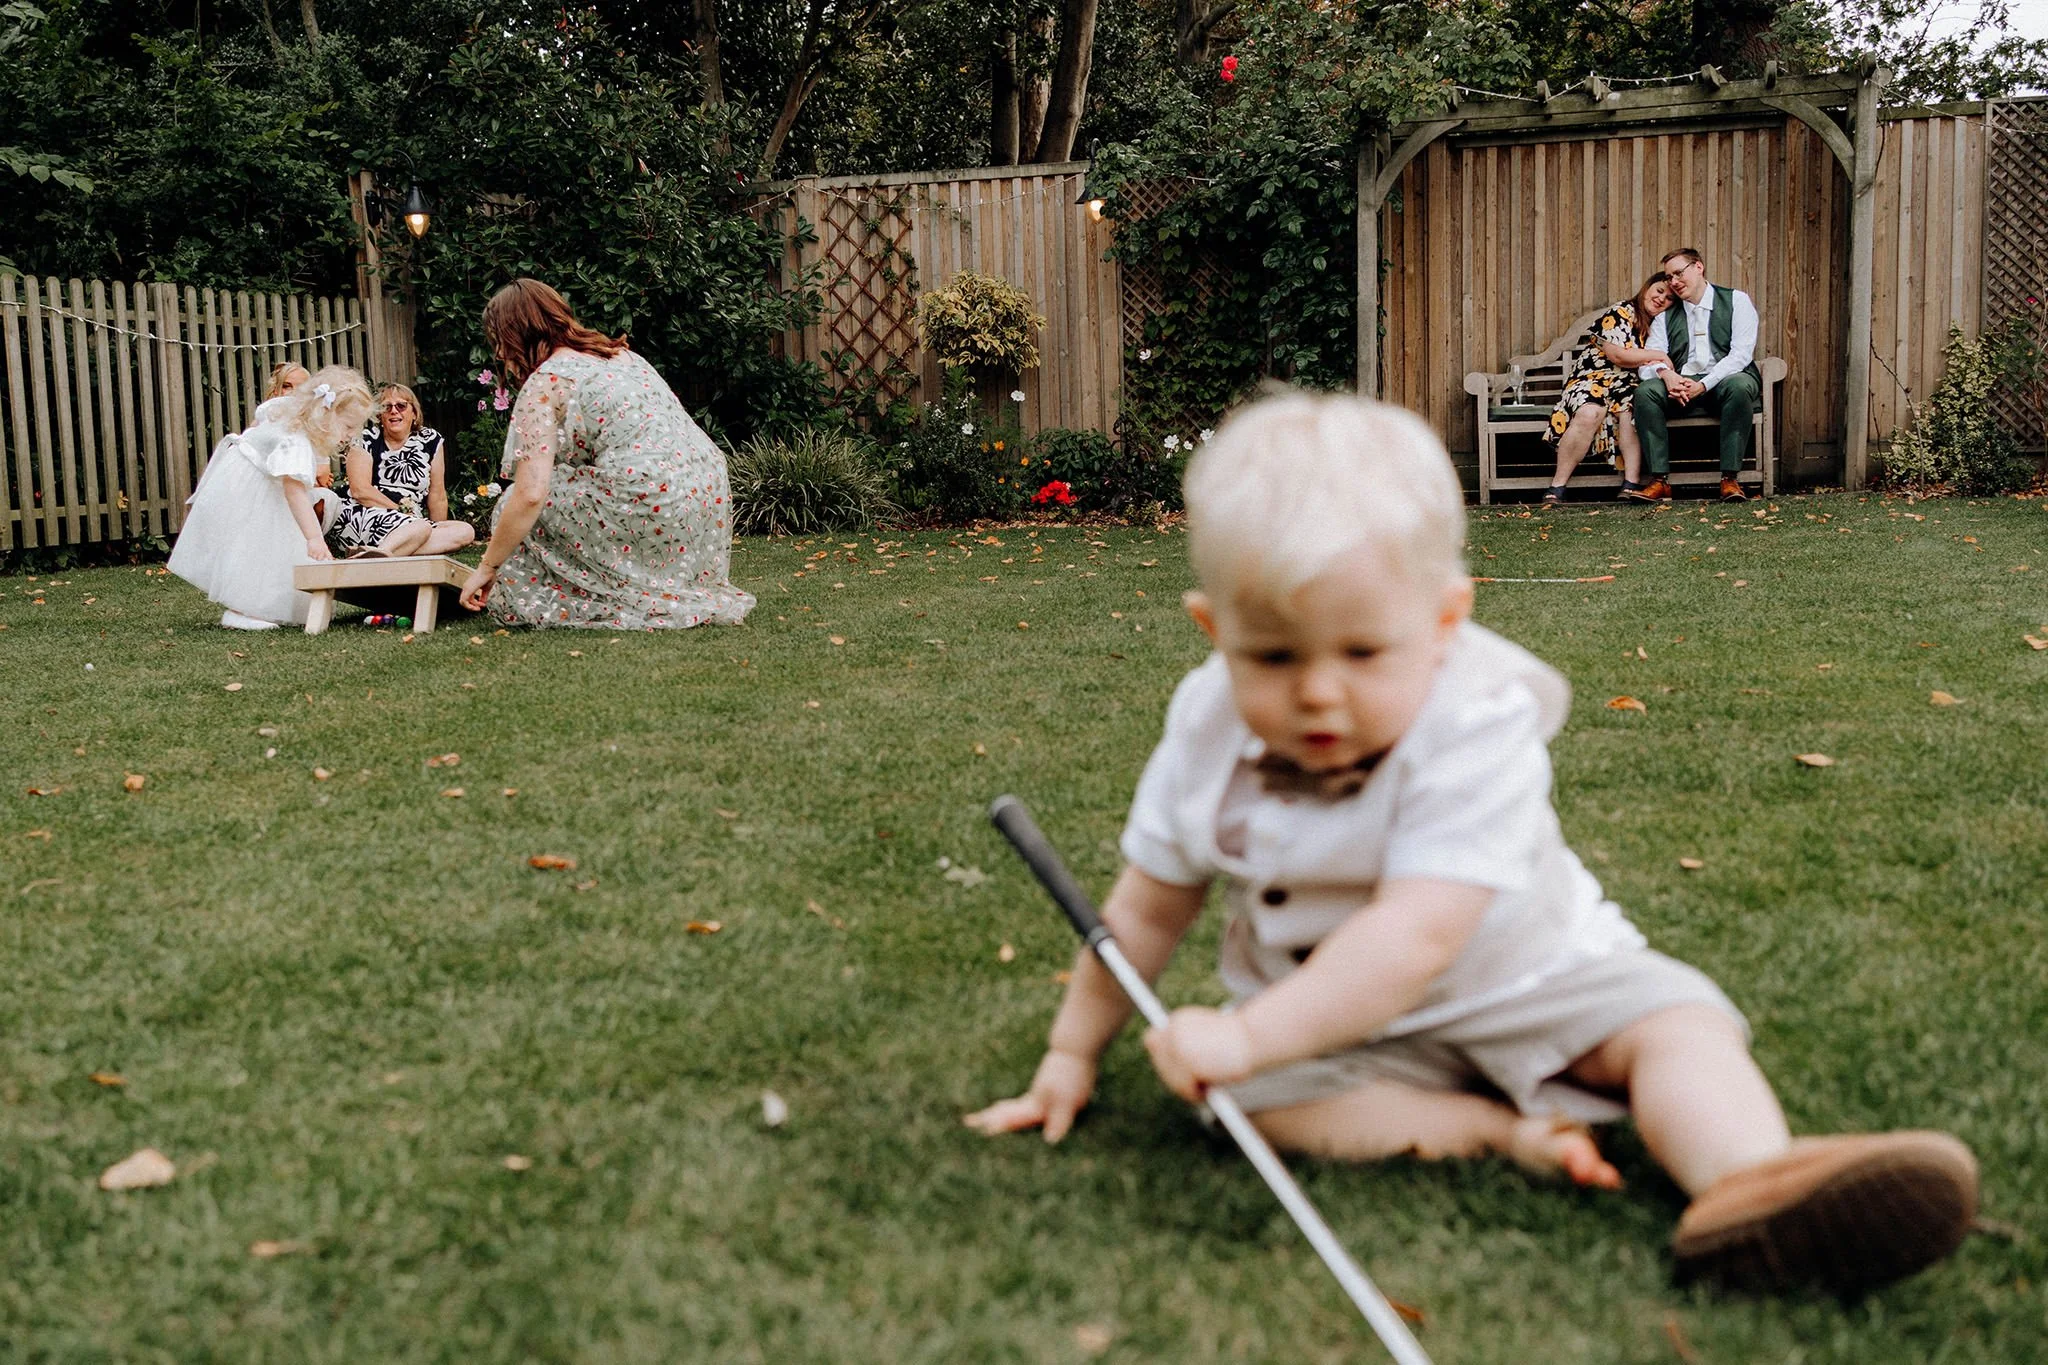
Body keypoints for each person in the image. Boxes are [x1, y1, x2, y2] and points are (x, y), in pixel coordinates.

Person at [966, 388, 1979, 1294]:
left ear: (1445, 620)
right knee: (1245, 1104)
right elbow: (1145, 906)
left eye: (1362, 652)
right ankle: (1500, 1133)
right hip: (1332, 1022)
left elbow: (1415, 936)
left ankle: (1751, 1183)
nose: (1318, 690)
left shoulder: (1477, 717)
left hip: (1527, 977)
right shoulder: (1205, 723)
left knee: (1673, 1024)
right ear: (1209, 631)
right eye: (1271, 656)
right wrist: (1070, 1055)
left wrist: (1241, 1032)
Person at [457, 279, 755, 631]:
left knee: (512, 503)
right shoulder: (620, 355)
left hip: (650, 491)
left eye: (499, 343)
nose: (500, 356)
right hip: (704, 488)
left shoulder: (546, 381)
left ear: (516, 335)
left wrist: (487, 567)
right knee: (564, 485)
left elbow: (530, 493)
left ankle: (557, 605)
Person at [167, 366, 374, 629]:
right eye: (347, 426)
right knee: (254, 546)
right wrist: (314, 538)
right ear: (326, 412)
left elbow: (257, 424)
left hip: (250, 476)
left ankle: (264, 607)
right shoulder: (296, 439)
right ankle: (240, 609)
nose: (350, 435)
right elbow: (295, 492)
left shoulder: (290, 409)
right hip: (249, 488)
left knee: (276, 546)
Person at [1627, 247, 1761, 504]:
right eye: (1669, 277)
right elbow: (1649, 360)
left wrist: (1704, 384)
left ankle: (1730, 479)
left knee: (1739, 385)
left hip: (1725, 381)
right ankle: (1659, 481)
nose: (1674, 282)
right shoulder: (1666, 318)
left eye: (1679, 273)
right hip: (1681, 386)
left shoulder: (1736, 301)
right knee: (1646, 392)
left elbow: (1741, 355)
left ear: (1698, 267)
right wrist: (1667, 376)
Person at [1540, 274, 1674, 504]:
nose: (1662, 299)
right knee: (1590, 413)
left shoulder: (1661, 325)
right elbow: (1618, 355)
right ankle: (1558, 484)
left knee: (1630, 410)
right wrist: (1659, 355)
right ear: (1647, 288)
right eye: (1659, 290)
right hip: (1592, 378)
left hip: (1626, 383)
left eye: (1670, 298)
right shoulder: (1622, 311)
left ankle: (1630, 484)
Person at [326, 384, 475, 558]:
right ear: (380, 415)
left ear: (414, 413)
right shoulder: (364, 439)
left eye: (401, 406)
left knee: (465, 531)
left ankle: (379, 553)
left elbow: (438, 495)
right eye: (386, 407)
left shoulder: (430, 440)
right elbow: (361, 491)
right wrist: (400, 511)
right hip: (365, 513)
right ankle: (388, 551)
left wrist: (435, 526)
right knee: (421, 528)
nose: (394, 411)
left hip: (410, 522)